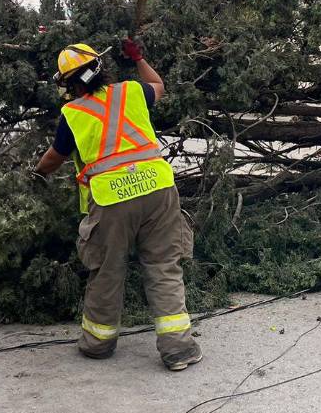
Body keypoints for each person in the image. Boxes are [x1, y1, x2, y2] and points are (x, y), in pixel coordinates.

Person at [34, 39, 202, 371]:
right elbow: (159, 85)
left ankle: (98, 344)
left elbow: (55, 157)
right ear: (101, 68)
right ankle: (179, 349)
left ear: (69, 82)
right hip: (158, 188)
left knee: (107, 271)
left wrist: (35, 173)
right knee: (164, 266)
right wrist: (139, 57)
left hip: (112, 199)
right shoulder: (132, 91)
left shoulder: (74, 113)